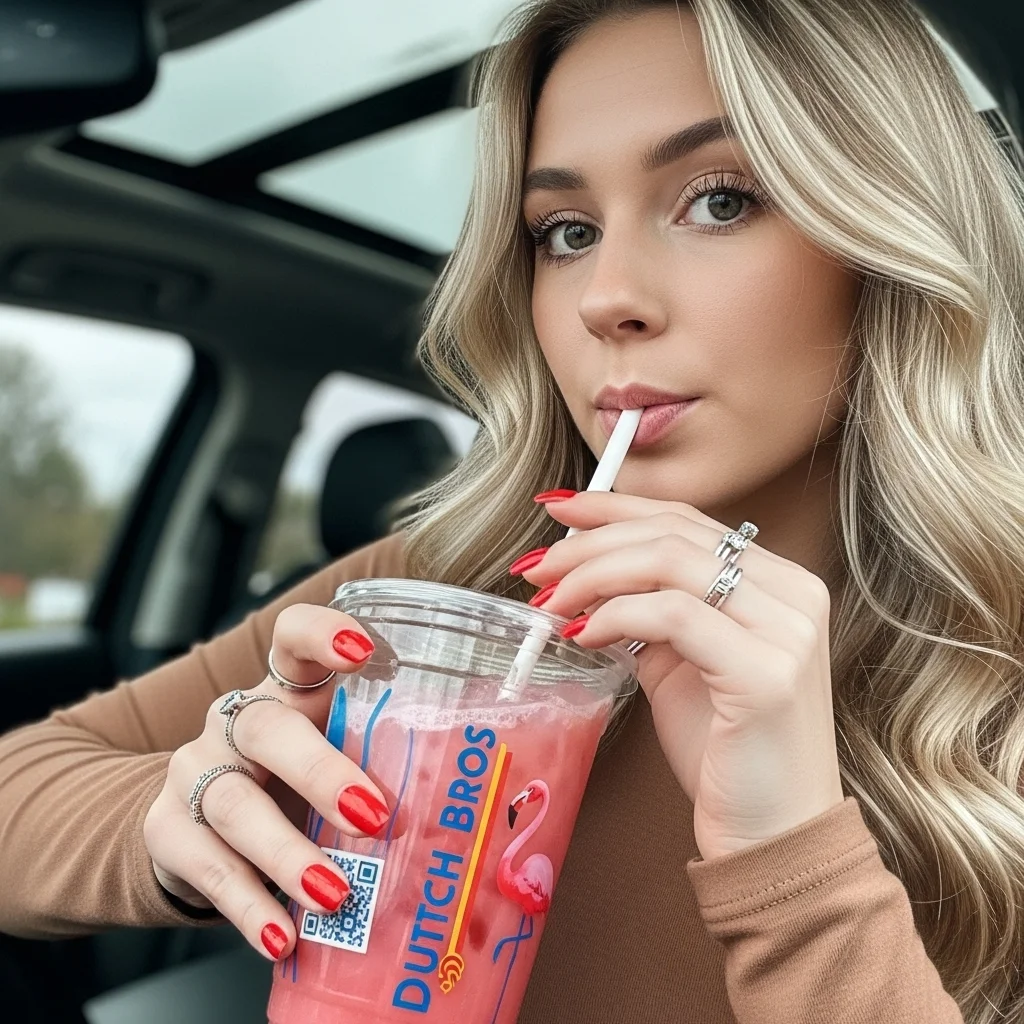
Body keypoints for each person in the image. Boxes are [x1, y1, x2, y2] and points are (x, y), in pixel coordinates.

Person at [2, 0, 1023, 1020]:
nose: (604, 296)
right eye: (565, 232)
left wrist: (791, 861)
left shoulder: (999, 685)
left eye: (719, 201)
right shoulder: (455, 592)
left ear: (887, 239)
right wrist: (190, 815)